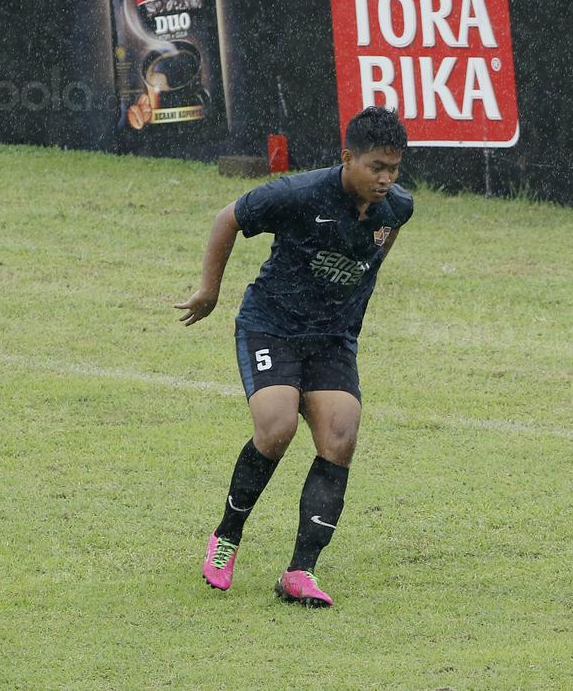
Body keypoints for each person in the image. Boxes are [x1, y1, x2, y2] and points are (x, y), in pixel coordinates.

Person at [175, 106, 412, 606]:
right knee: (276, 425)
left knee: (341, 433)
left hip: (331, 338)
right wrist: (209, 291)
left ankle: (300, 572)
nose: (386, 179)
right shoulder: (298, 194)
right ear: (347, 157)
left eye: (394, 168)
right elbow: (228, 218)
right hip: (272, 326)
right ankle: (227, 538)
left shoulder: (398, 209)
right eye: (376, 167)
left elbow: (372, 258)